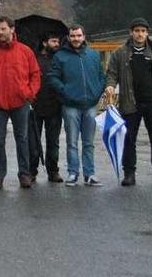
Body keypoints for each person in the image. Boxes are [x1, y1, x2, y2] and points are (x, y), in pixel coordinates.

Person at [106, 18, 152, 187]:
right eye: (137, 31)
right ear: (131, 32)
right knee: (129, 139)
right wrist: (110, 85)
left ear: (147, 33)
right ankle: (129, 173)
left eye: (143, 31)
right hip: (130, 103)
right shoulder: (120, 53)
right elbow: (112, 73)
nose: (140, 34)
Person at [0, 16, 40, 190]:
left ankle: (25, 174)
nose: (0, 32)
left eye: (3, 29)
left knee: (23, 139)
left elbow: (35, 74)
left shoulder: (25, 51)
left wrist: (29, 93)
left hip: (20, 102)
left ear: (12, 29)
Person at [48, 24, 106, 187]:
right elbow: (53, 77)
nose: (76, 39)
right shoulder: (60, 56)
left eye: (78, 35)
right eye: (72, 36)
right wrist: (65, 91)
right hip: (70, 106)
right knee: (72, 142)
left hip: (90, 105)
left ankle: (90, 174)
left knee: (89, 143)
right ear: (68, 37)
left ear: (84, 36)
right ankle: (73, 173)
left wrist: (96, 92)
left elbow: (102, 76)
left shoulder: (93, 55)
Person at [29, 33, 64, 184]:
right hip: (35, 106)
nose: (57, 44)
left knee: (53, 142)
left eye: (58, 41)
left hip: (55, 106)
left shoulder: (60, 59)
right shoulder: (34, 59)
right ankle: (31, 171)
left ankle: (53, 171)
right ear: (44, 43)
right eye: (54, 41)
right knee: (33, 142)